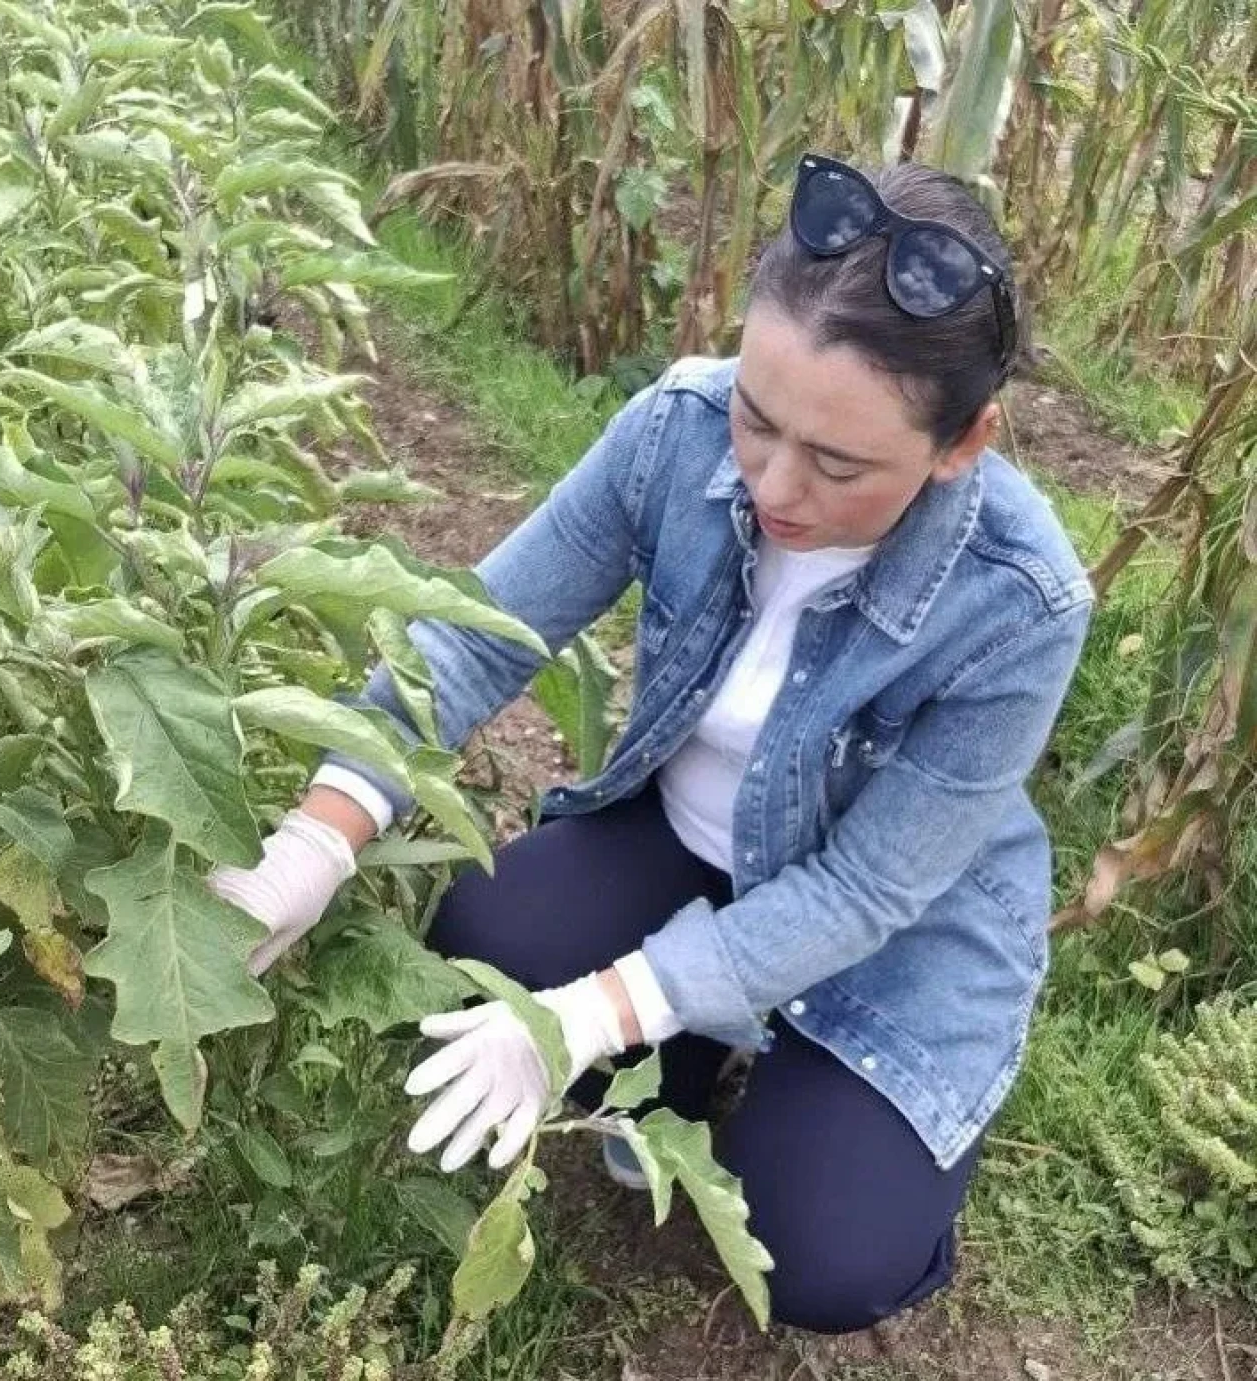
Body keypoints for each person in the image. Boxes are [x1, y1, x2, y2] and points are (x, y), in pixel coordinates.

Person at [210, 155, 1092, 1334]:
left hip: (893, 938)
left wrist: (595, 1008)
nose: (772, 484)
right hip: (687, 839)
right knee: (484, 937)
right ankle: (675, 1055)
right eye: (757, 417)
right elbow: (471, 642)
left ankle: (791, 1091)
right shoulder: (672, 430)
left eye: (837, 465)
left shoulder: (1020, 599)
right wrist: (313, 843)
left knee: (819, 1257)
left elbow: (865, 886)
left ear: (960, 443)